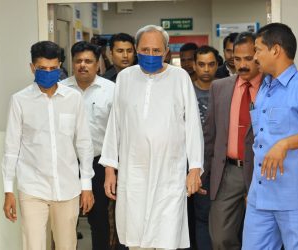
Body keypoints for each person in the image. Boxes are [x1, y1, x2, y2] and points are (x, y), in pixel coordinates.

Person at [99, 24, 204, 250]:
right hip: (133, 174)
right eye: (145, 50)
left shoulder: (180, 77)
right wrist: (110, 169)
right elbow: (115, 124)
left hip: (169, 175)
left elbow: (193, 126)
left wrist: (194, 168)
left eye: (156, 51)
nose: (150, 55)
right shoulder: (125, 78)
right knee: (136, 238)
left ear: (167, 51)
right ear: (136, 49)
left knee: (166, 238)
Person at [2, 41, 94, 250]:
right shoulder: (19, 101)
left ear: (60, 66)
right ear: (32, 68)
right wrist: (8, 190)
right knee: (33, 245)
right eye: (42, 68)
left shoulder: (73, 98)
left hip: (68, 188)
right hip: (32, 188)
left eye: (53, 68)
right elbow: (11, 148)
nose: (48, 73)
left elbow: (84, 143)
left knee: (67, 245)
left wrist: (86, 185)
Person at [242, 23, 298, 250]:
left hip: (296, 197)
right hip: (261, 196)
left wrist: (285, 144)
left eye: (258, 50)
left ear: (276, 50)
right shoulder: (264, 88)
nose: (255, 56)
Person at [203, 32, 262, 250]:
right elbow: (210, 134)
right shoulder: (220, 88)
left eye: (248, 59)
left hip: (261, 171)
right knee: (220, 238)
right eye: (238, 59)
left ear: (259, 55)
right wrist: (203, 172)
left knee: (262, 237)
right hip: (228, 172)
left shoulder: (271, 87)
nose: (243, 65)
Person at [60, 41, 115, 250]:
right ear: (72, 63)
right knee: (65, 221)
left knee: (99, 221)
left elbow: (117, 132)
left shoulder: (111, 90)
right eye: (78, 61)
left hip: (99, 164)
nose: (83, 65)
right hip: (67, 165)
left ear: (98, 63)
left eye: (88, 61)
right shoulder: (60, 90)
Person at [192, 45, 220, 250]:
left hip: (218, 163)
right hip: (190, 163)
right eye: (201, 64)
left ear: (216, 65)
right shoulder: (186, 89)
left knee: (212, 217)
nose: (206, 69)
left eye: (211, 64)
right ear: (194, 65)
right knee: (193, 217)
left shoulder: (225, 89)